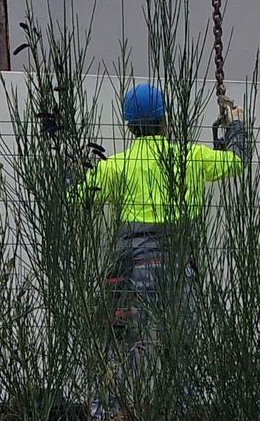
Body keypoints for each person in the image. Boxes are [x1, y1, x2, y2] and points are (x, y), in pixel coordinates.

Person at [80, 82, 249, 401]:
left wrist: (72, 167)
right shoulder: (192, 158)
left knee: (130, 350)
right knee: (181, 354)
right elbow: (237, 160)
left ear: (129, 126)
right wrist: (236, 125)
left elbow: (75, 196)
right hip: (179, 273)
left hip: (137, 275)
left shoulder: (116, 167)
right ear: (165, 120)